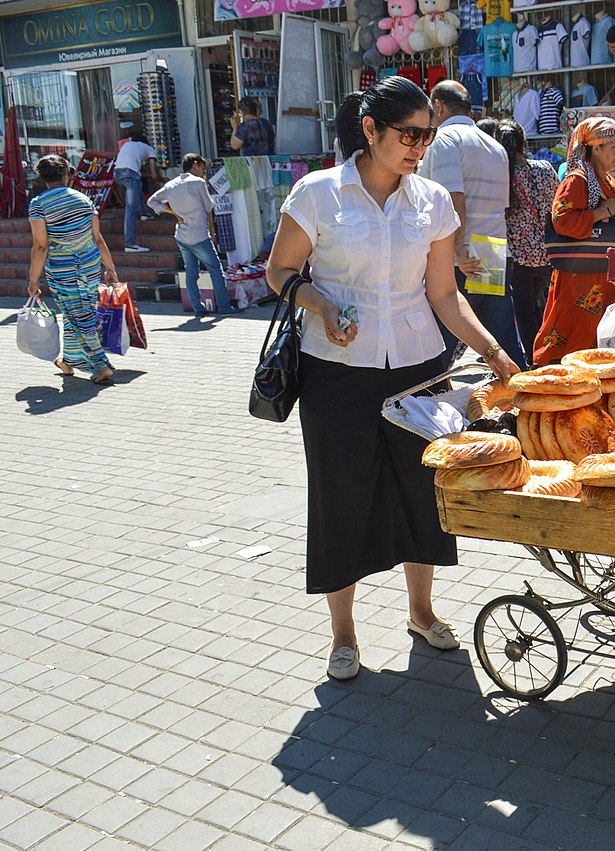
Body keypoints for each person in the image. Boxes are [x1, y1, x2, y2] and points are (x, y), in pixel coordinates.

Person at [265, 76, 521, 680]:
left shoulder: (431, 200)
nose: (418, 146)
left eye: (426, 135)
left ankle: (421, 612)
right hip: (336, 372)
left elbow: (444, 294)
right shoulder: (318, 194)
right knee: (341, 496)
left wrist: (493, 350)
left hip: (418, 371)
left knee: (421, 493)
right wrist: (321, 305)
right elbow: (278, 271)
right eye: (407, 134)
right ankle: (344, 633)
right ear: (370, 129)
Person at [419, 80, 526, 369]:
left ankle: (430, 405)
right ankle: (523, 399)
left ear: (438, 106)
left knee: (440, 343)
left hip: (459, 256)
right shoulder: (494, 146)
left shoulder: (444, 139)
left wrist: (459, 248)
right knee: (502, 339)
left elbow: (455, 198)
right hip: (491, 250)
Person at [531, 116, 615, 365]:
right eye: (614, 149)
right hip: (579, 279)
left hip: (604, 276)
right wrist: (600, 212)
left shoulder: (607, 180)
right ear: (595, 148)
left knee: (599, 344)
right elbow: (562, 220)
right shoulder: (578, 179)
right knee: (571, 337)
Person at [26, 154, 122, 386]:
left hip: (63, 269)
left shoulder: (39, 204)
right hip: (88, 266)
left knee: (79, 315)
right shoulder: (83, 199)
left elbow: (40, 245)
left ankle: (101, 365)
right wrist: (110, 268)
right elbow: (97, 238)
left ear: (42, 177)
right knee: (77, 313)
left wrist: (33, 279)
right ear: (67, 175)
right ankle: (69, 361)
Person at [483, 119, 557, 362]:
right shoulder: (546, 167)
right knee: (539, 309)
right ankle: (545, 355)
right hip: (547, 254)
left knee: (524, 313)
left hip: (517, 258)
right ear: (523, 143)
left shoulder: (502, 175)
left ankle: (535, 360)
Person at [147, 153, 243, 317]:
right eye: (202, 167)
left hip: (182, 236)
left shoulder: (171, 185)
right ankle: (224, 307)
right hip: (198, 235)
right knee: (216, 270)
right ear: (195, 165)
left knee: (191, 273)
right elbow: (208, 206)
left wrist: (172, 212)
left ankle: (198, 309)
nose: (203, 171)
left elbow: (151, 201)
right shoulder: (198, 183)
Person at [115, 133, 160, 253]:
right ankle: (129, 243)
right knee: (130, 209)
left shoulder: (127, 145)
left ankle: (144, 213)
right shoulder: (149, 149)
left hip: (117, 173)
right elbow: (154, 174)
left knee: (137, 184)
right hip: (130, 173)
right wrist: (160, 180)